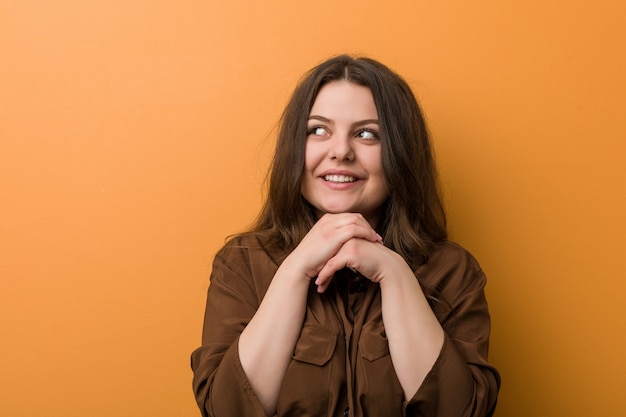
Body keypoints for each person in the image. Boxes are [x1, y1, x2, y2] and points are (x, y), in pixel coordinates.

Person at [191, 55, 501, 417]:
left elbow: (463, 412)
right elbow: (225, 411)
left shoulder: (452, 270)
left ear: (399, 152)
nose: (340, 151)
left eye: (367, 133)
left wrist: (395, 275)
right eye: (318, 130)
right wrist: (294, 272)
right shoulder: (242, 263)